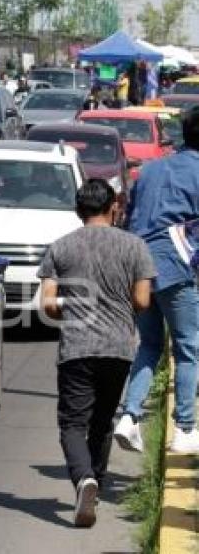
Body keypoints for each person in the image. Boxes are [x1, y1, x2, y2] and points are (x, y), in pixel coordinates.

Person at [38, 180, 155, 528]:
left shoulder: (60, 247)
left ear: (78, 211)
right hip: (118, 348)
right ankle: (95, 482)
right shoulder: (135, 246)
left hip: (76, 348)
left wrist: (71, 311)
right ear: (113, 208)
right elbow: (143, 301)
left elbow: (47, 304)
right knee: (102, 422)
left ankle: (83, 479)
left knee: (73, 423)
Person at [114, 107, 199, 454]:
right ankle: (186, 428)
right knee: (188, 348)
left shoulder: (149, 170)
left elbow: (131, 216)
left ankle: (129, 416)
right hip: (177, 267)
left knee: (148, 346)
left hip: (138, 266)